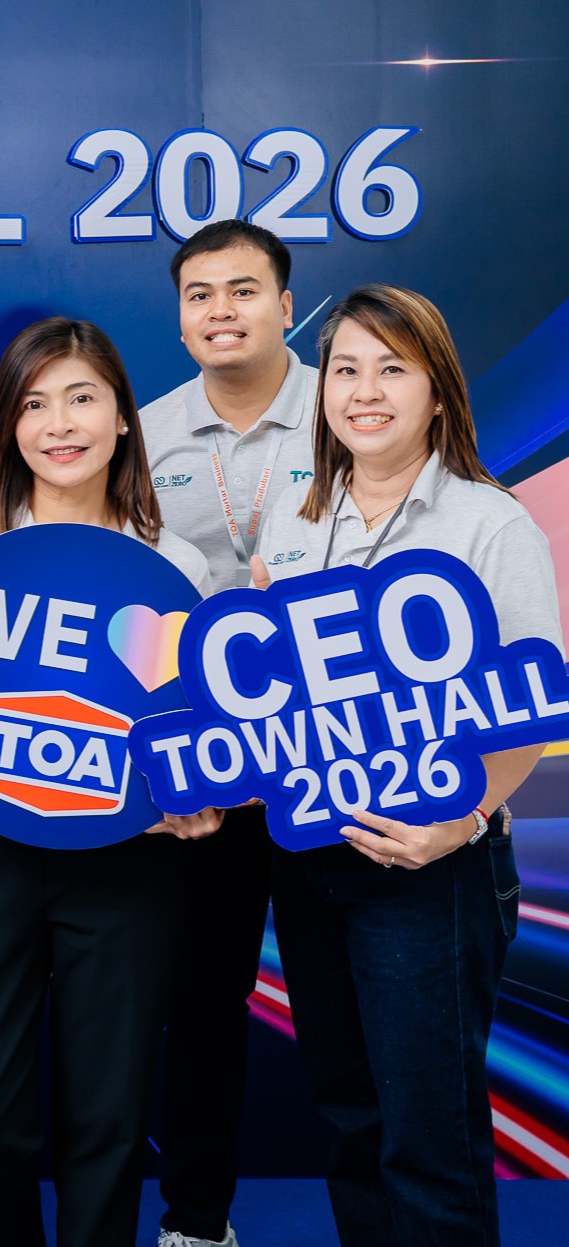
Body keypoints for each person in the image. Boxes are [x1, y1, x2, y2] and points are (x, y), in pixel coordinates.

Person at [0, 316, 219, 1247]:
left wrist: (197, 799)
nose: (57, 424)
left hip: (123, 859)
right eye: (32, 404)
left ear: (122, 418)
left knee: (109, 1118)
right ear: (6, 426)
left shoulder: (173, 567)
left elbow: (192, 744)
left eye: (81, 398)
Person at [253, 285, 555, 1246]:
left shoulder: (486, 523)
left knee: (429, 1138)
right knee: (350, 1118)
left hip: (433, 866)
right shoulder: (295, 520)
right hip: (312, 861)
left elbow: (531, 707)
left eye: (391, 369)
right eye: (344, 369)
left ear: (436, 390)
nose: (364, 392)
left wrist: (458, 823)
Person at [138, 218, 314, 1247]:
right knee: (204, 999)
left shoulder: (349, 408)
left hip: (331, 752)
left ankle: (385, 1213)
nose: (221, 311)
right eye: (199, 294)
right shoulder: (143, 435)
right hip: (212, 767)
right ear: (179, 317)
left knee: (348, 998)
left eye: (243, 290)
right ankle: (197, 1222)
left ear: (284, 305)